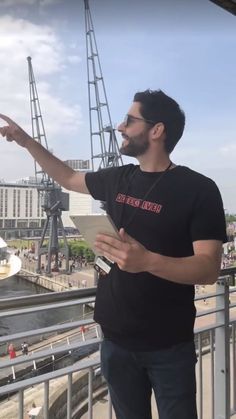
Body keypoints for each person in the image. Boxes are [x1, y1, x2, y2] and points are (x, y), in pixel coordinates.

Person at [0, 89, 227, 419]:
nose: (120, 127)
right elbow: (66, 176)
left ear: (157, 130)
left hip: (169, 345)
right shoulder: (118, 178)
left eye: (130, 120)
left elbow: (208, 268)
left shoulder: (199, 189)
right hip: (115, 341)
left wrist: (147, 261)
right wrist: (25, 140)